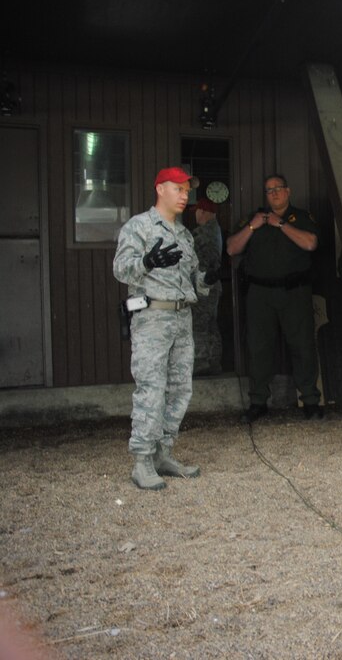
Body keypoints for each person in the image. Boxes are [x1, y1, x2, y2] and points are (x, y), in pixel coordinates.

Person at [113, 167, 213, 490]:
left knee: (181, 388)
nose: (185, 196)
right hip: (152, 317)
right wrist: (146, 262)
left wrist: (206, 280)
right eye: (179, 189)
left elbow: (194, 278)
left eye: (187, 191)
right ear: (160, 189)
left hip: (182, 318)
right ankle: (141, 462)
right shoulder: (139, 226)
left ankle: (162, 454)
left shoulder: (184, 235)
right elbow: (120, 269)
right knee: (151, 388)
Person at [226, 174, 322, 422]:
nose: (274, 193)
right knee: (259, 348)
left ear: (288, 191)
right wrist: (252, 227)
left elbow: (311, 243)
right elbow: (232, 248)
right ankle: (258, 402)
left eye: (279, 189)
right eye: (269, 190)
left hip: (294, 292)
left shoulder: (301, 217)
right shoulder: (253, 218)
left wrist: (280, 224)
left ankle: (310, 400)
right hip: (260, 294)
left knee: (302, 346)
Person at [189, 197, 223, 376]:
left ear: (202, 212)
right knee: (210, 324)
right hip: (212, 284)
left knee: (199, 324)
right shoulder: (216, 230)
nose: (195, 214)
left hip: (202, 285)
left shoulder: (201, 234)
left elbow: (194, 262)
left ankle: (201, 362)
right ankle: (214, 361)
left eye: (196, 211)